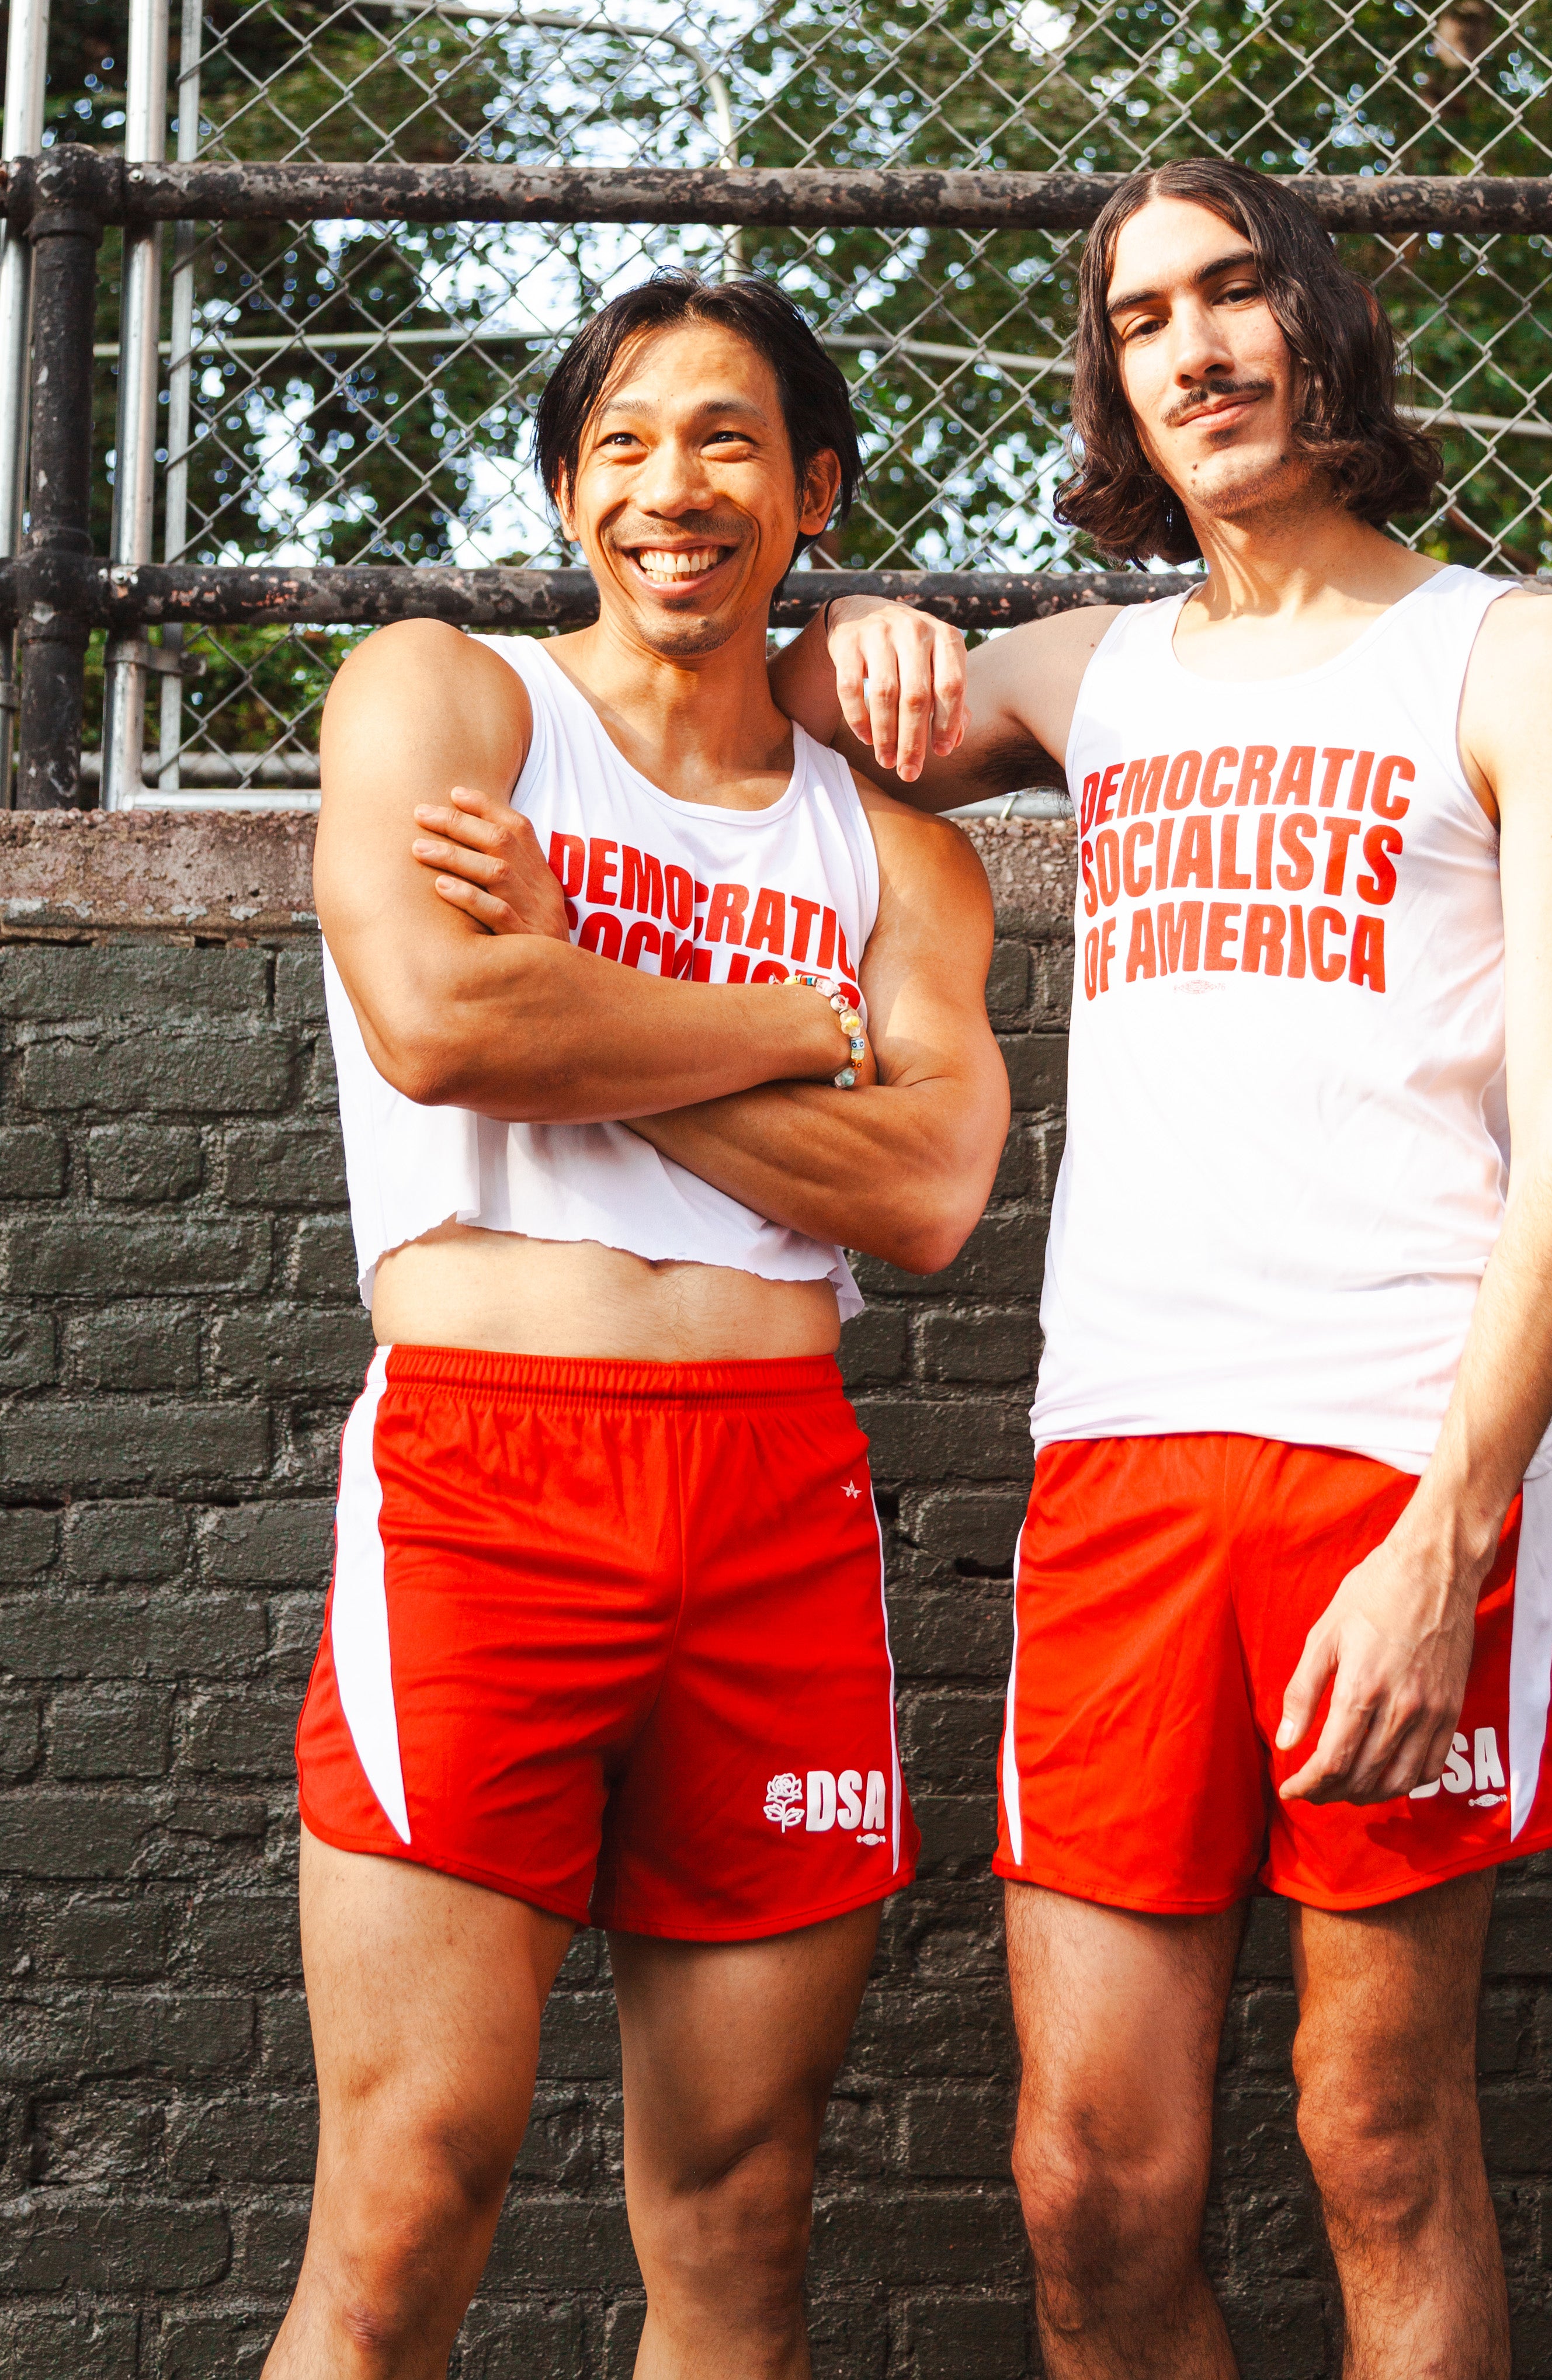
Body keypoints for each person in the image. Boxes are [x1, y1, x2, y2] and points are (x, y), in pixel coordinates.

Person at [768, 159, 1552, 2379]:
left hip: (1392, 1463)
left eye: (1237, 289)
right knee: (1088, 2173)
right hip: (1120, 1471)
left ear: (1322, 324)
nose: (1199, 342)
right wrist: (842, 633)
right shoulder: (1098, 668)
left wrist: (1448, 1541)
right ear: (1115, 382)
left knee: (1375, 2139)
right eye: (1145, 314)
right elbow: (796, 708)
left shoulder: (1515, 655)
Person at [272, 271, 1008, 2378]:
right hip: (484, 1487)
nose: (668, 488)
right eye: (619, 444)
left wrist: (585, 999)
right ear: (569, 496)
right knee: (414, 2184)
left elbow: (932, 1185)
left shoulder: (893, 847)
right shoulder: (450, 696)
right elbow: (442, 1016)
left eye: (722, 442)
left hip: (773, 1505)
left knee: (743, 2212)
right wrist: (793, 1024)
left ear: (812, 492)